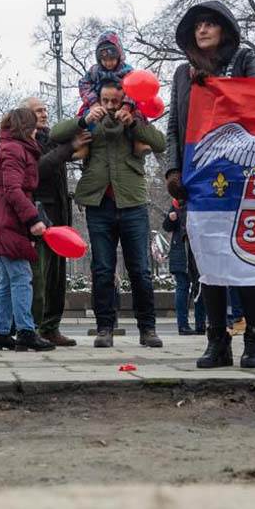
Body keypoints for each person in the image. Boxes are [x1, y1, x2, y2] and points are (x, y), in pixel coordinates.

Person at [165, 0, 255, 369]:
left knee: (245, 258)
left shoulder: (243, 60)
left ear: (224, 29)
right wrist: (172, 170)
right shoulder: (183, 73)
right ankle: (216, 339)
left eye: (210, 23)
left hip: (241, 177)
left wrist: (218, 86)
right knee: (207, 262)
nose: (203, 30)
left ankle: (254, 337)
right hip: (200, 181)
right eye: (197, 26)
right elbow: (174, 126)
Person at [51, 81, 166, 348]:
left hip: (132, 202)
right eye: (106, 101)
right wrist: (84, 120)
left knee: (140, 269)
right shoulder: (90, 117)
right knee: (102, 269)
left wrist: (133, 123)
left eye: (116, 101)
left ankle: (147, 328)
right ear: (98, 100)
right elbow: (56, 134)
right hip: (99, 203)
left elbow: (159, 142)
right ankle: (105, 328)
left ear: (124, 100)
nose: (111, 106)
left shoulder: (134, 117)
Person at [0, 107, 53, 352]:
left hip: (5, 218)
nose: (37, 131)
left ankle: (0, 332)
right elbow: (13, 189)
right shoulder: (14, 149)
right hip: (6, 220)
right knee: (21, 276)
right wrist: (33, 219)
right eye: (34, 126)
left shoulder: (12, 147)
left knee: (10, 279)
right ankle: (25, 330)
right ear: (27, 128)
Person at [23, 97, 85, 347]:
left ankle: (51, 327)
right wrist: (69, 149)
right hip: (39, 217)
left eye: (45, 110)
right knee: (39, 277)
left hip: (59, 215)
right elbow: (37, 170)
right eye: (38, 110)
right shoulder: (26, 141)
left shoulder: (53, 139)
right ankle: (33, 327)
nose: (44, 114)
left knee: (57, 278)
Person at [164, 201, 205, 335]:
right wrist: (170, 218)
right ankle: (187, 325)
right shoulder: (180, 202)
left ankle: (197, 324)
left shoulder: (179, 202)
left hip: (189, 249)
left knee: (198, 286)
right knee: (188, 286)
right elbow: (167, 226)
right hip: (184, 250)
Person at [77, 31, 134, 115]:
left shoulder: (127, 71)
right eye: (104, 60)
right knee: (87, 115)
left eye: (112, 59)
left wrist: (126, 106)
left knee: (138, 114)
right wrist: (93, 102)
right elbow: (83, 84)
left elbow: (134, 89)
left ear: (119, 56)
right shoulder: (95, 71)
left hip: (121, 105)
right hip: (99, 104)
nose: (108, 63)